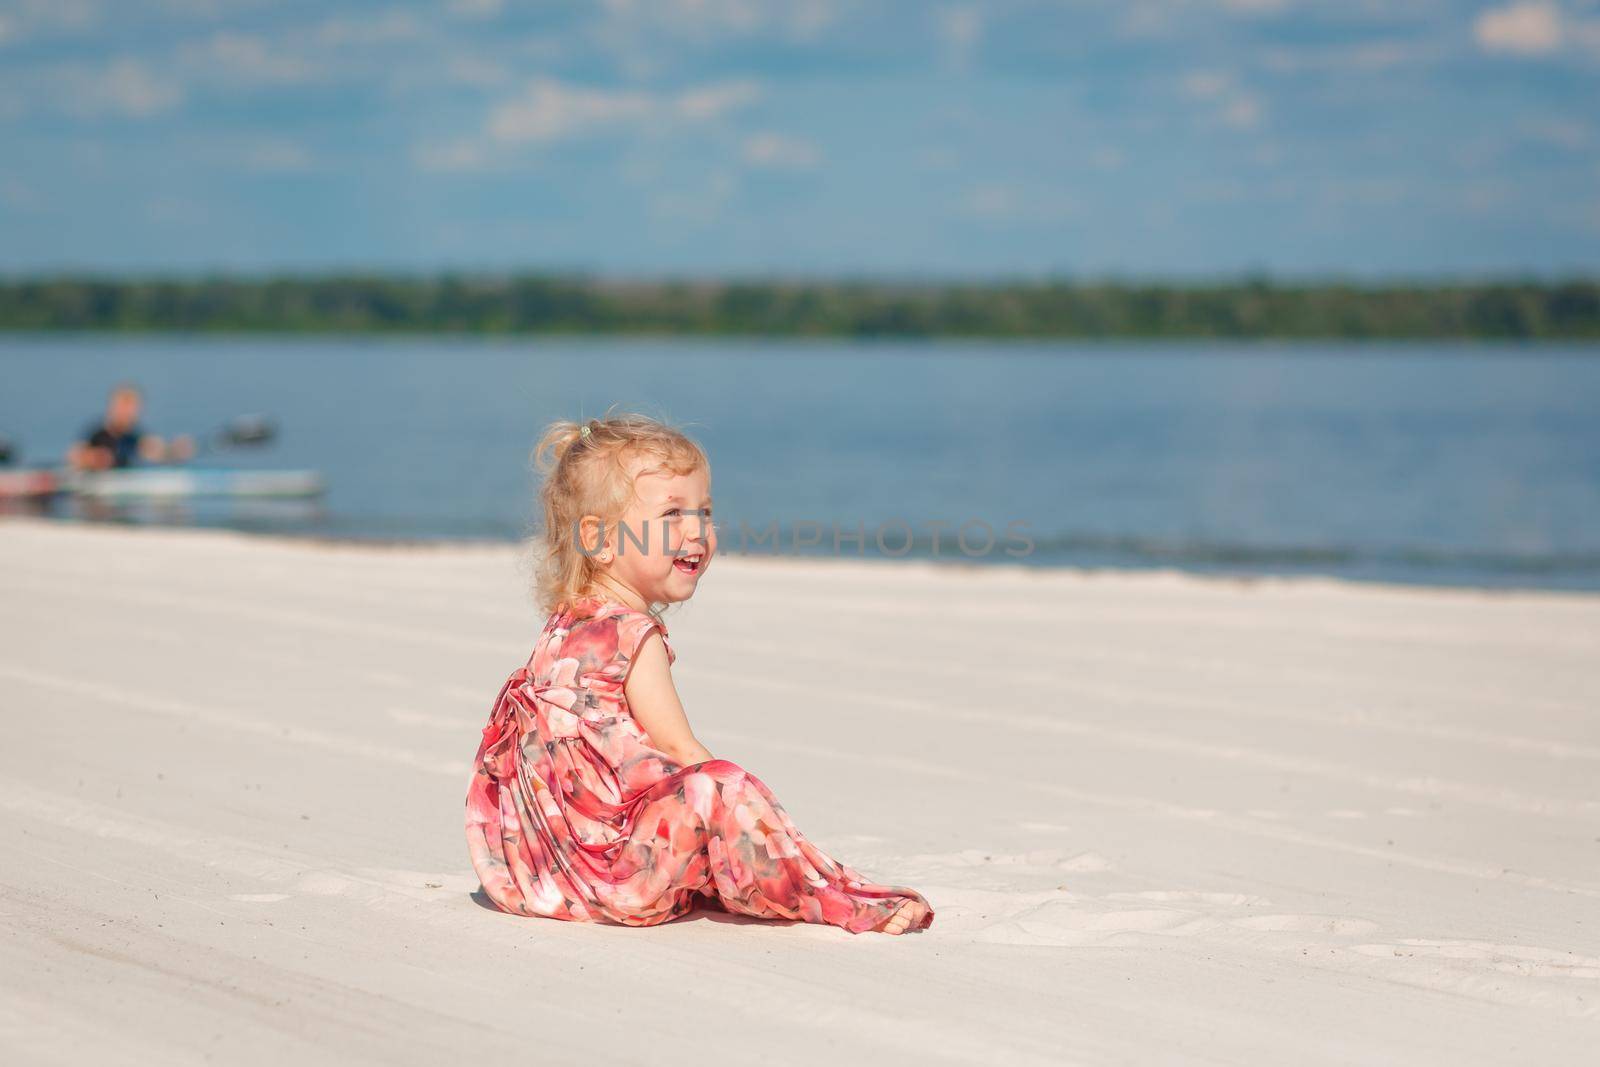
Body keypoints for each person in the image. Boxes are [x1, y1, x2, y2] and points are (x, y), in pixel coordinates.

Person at [464, 411, 934, 935]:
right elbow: (680, 751)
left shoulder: (568, 623)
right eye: (672, 515)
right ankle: (831, 898)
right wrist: (735, 814)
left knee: (705, 795)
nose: (698, 532)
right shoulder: (631, 635)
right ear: (600, 540)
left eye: (704, 512)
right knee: (720, 786)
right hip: (618, 878)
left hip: (544, 869)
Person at [67, 382, 195, 471]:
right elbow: (74, 455)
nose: (128, 412)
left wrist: (176, 451)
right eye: (124, 405)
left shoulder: (135, 438)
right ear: (112, 406)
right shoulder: (97, 435)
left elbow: (157, 452)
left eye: (132, 407)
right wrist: (93, 459)